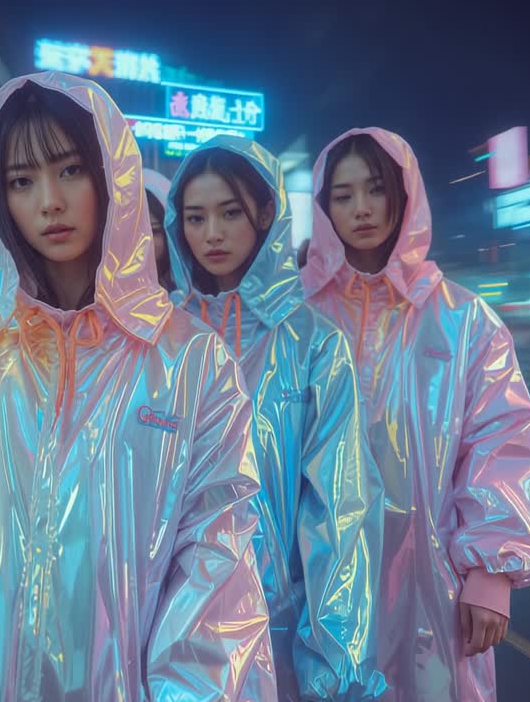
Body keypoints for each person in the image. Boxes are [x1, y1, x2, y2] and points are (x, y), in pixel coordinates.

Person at [0, 72, 276, 700]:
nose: (48, 201)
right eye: (22, 181)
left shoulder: (191, 362)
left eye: (70, 171)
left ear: (111, 177)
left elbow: (215, 564)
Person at [302, 128, 530, 701]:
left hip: (431, 580)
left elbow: (499, 440)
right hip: (313, 575)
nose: (361, 209)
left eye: (375, 189)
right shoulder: (298, 318)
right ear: (323, 207)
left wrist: (490, 572)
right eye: (342, 195)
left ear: (405, 194)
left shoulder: (464, 320)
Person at [164, 136, 386, 700]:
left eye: (230, 212)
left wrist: (333, 661)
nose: (212, 233)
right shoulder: (160, 339)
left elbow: (338, 509)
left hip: (277, 625)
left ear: (266, 213)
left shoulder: (313, 344)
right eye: (196, 217)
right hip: (170, 622)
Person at [144, 166, 175, 290]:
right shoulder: (101, 293)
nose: (143, 241)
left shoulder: (188, 295)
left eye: (154, 231)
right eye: (132, 231)